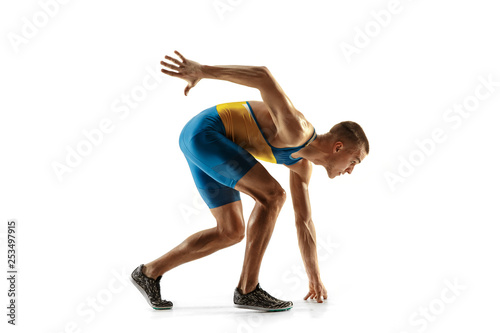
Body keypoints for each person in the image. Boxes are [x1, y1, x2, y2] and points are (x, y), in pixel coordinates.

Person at [130, 51, 369, 312]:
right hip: (206, 133)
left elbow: (304, 222)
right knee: (273, 196)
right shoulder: (298, 129)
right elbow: (263, 76)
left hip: (207, 145)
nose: (350, 171)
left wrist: (314, 278)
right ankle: (248, 290)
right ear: (338, 147)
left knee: (230, 231)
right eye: (354, 161)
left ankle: (149, 273)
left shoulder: (301, 166)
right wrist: (203, 70)